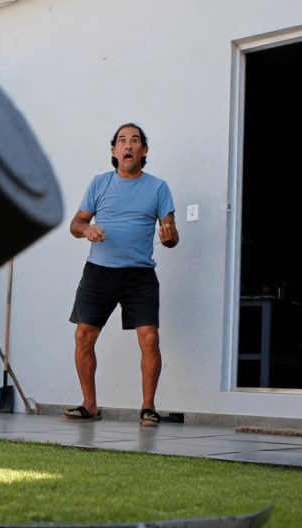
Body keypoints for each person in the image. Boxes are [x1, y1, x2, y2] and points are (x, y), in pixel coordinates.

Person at [63, 123, 177, 426]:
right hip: (99, 272)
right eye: (122, 141)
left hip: (139, 276)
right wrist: (87, 229)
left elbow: (171, 233)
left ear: (144, 151)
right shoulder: (99, 184)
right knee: (83, 336)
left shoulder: (158, 188)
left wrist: (168, 237)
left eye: (135, 141)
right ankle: (89, 406)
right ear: (114, 151)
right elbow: (75, 223)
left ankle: (148, 408)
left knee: (149, 338)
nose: (128, 145)